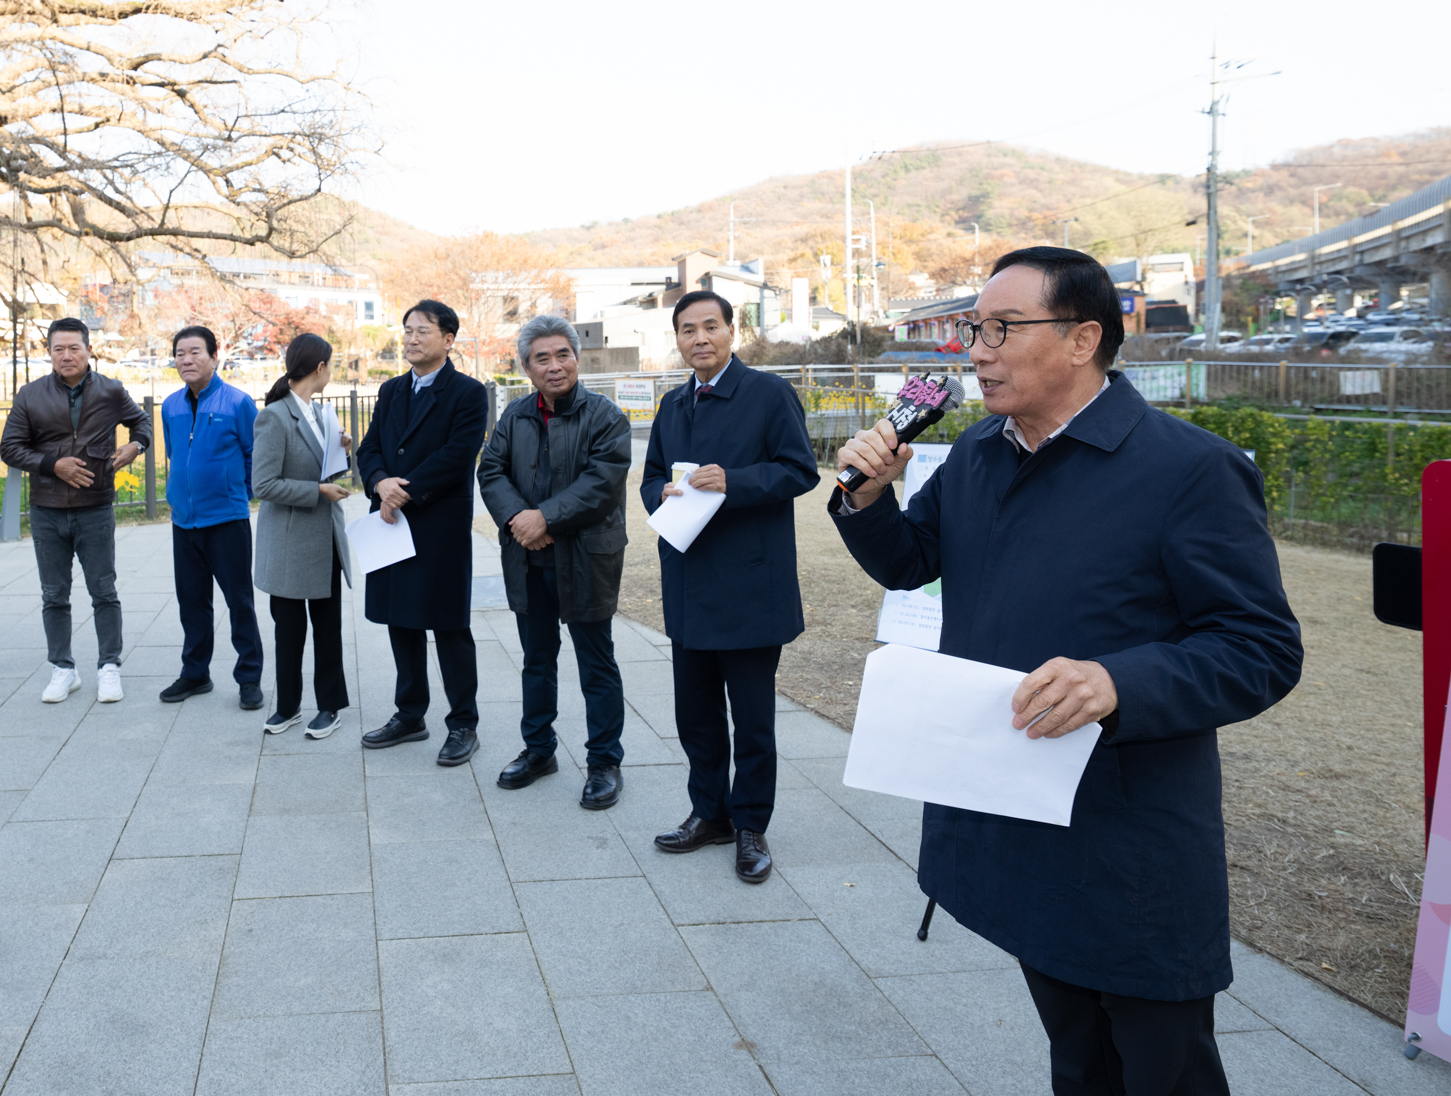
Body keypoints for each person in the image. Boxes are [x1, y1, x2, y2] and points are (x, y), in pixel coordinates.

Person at [831, 247, 1301, 1094]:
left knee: (1166, 1068)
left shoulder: (1190, 469)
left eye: (1002, 328)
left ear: (1084, 338)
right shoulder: (978, 453)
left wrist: (1120, 683)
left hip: (1131, 838)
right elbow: (913, 561)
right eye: (974, 329)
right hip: (1015, 812)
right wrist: (870, 499)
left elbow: (1260, 647)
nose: (977, 349)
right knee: (1078, 1060)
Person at [638, 290, 818, 883]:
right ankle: (708, 813)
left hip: (749, 585)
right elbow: (650, 481)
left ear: (731, 330)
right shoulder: (672, 406)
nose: (699, 339)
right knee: (696, 716)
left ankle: (750, 826)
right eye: (687, 330)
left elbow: (800, 470)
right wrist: (661, 491)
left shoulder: (768, 394)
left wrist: (733, 481)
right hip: (688, 582)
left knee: (753, 721)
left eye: (710, 327)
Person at [477, 314, 632, 808]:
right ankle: (539, 749)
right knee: (537, 660)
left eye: (563, 354)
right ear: (526, 367)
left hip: (586, 557)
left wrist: (543, 517)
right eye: (542, 358)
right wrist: (519, 520)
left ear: (577, 358)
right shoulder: (515, 416)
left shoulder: (606, 416)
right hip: (528, 559)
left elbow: (602, 484)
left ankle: (604, 761)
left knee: (596, 663)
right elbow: (491, 470)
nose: (555, 365)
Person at [355, 299, 490, 767]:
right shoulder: (392, 390)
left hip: (437, 524)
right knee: (401, 619)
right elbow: (370, 447)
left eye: (422, 331)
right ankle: (410, 714)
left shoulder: (469, 394)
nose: (411, 338)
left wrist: (402, 491)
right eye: (406, 330)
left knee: (449, 625)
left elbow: (457, 456)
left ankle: (463, 724)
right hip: (391, 521)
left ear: (448, 340)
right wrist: (378, 482)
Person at [0, 317, 150, 704]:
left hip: (95, 507)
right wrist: (53, 464)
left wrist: (136, 447)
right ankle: (63, 669)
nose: (66, 356)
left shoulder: (111, 391)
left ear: (88, 350)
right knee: (54, 594)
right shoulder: (30, 395)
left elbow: (142, 424)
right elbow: (9, 448)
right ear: (48, 352)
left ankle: (109, 667)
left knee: (104, 589)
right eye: (58, 349)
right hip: (47, 509)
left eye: (74, 348)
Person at [251, 333, 355, 738]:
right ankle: (289, 706)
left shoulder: (320, 412)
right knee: (289, 630)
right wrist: (317, 492)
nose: (332, 371)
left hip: (324, 539)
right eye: (331, 365)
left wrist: (342, 450)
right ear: (319, 368)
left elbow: (327, 472)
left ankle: (329, 706)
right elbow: (264, 484)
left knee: (328, 628)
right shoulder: (274, 416)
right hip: (290, 542)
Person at [158, 324, 264, 709]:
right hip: (184, 521)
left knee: (239, 601)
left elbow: (256, 455)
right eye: (180, 353)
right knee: (191, 600)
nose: (187, 360)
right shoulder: (170, 405)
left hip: (227, 522)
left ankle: (249, 676)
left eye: (195, 352)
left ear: (214, 357)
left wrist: (240, 494)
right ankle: (195, 673)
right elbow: (174, 454)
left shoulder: (237, 403)